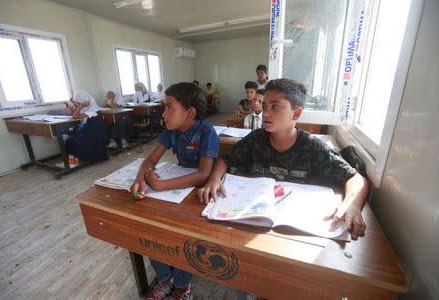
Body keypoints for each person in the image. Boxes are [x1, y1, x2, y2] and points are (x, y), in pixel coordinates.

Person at [198, 78, 368, 240]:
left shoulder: (313, 147)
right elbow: (225, 160)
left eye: (275, 106)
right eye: (265, 106)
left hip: (294, 226)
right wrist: (214, 179)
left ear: (296, 113)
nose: (266, 113)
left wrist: (352, 205)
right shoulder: (256, 139)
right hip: (254, 219)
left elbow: (356, 178)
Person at [130, 82, 219, 300]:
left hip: (198, 195)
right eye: (164, 107)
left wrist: (159, 185)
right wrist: (140, 178)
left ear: (190, 113)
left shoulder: (206, 131)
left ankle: (182, 285)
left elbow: (204, 174)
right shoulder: (171, 131)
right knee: (150, 225)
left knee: (184, 237)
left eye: (170, 107)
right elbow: (150, 159)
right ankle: (164, 279)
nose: (164, 113)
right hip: (176, 191)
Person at [64, 91, 108, 162]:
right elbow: (76, 115)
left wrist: (81, 105)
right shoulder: (86, 109)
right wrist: (74, 110)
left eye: (78, 103)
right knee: (70, 141)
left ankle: (78, 160)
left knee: (75, 141)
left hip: (94, 133)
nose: (76, 105)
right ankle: (73, 161)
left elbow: (75, 116)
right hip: (88, 130)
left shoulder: (93, 110)